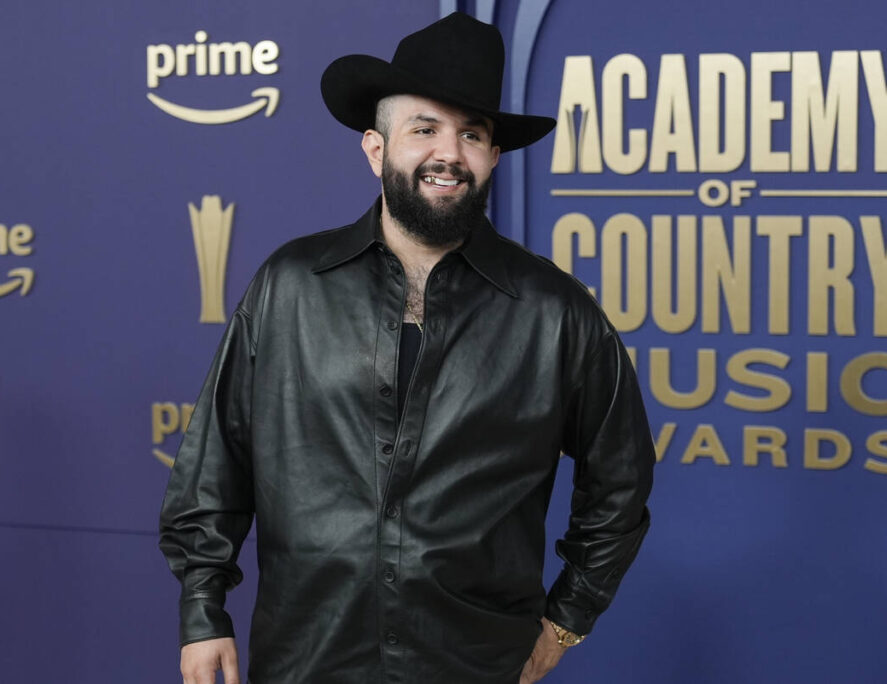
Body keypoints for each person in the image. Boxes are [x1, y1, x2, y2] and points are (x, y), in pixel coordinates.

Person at [159, 11, 654, 684]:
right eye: (424, 129)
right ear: (375, 149)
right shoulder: (289, 287)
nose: (448, 152)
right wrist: (202, 609)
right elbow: (216, 459)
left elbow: (620, 483)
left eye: (472, 134)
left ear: (492, 158)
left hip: (474, 665)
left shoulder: (556, 311)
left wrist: (570, 617)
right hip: (308, 659)